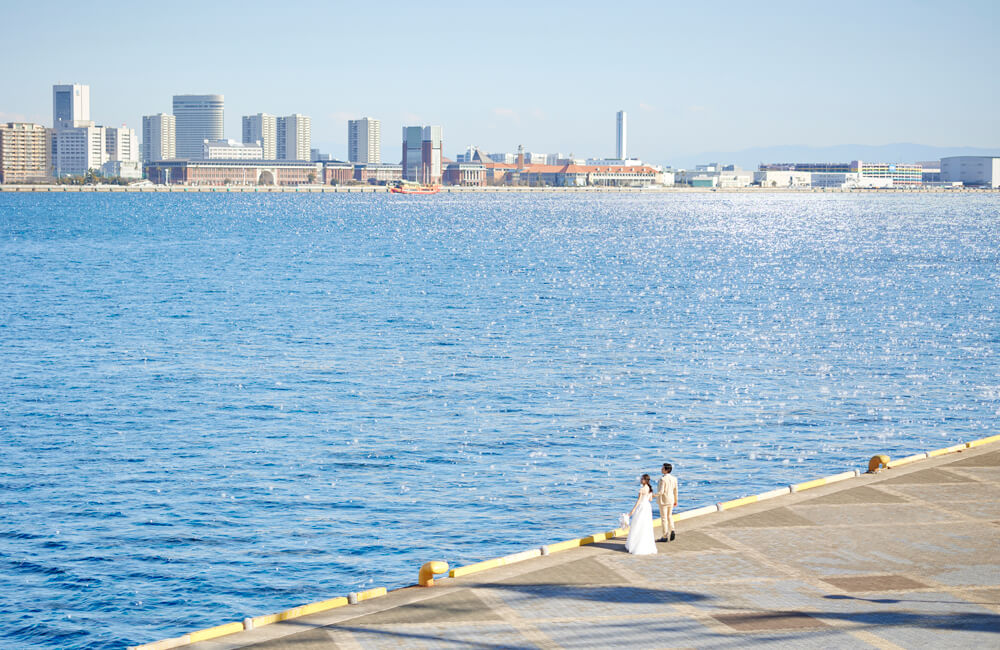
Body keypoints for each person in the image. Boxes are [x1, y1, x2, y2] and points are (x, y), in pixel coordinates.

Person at [626, 474, 657, 555]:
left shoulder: (642, 489)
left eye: (642, 479)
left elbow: (638, 501)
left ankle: (635, 544)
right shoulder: (650, 489)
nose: (641, 480)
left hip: (642, 507)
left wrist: (632, 511)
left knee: (638, 524)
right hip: (647, 507)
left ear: (645, 480)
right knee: (646, 525)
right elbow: (650, 499)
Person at [656, 462, 678, 542]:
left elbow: (661, 492)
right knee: (670, 516)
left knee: (664, 518)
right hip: (671, 499)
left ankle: (665, 535)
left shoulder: (663, 479)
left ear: (666, 470)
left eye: (662, 468)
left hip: (663, 501)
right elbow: (675, 490)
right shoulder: (674, 478)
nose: (661, 469)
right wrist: (676, 500)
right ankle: (672, 529)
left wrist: (653, 495)